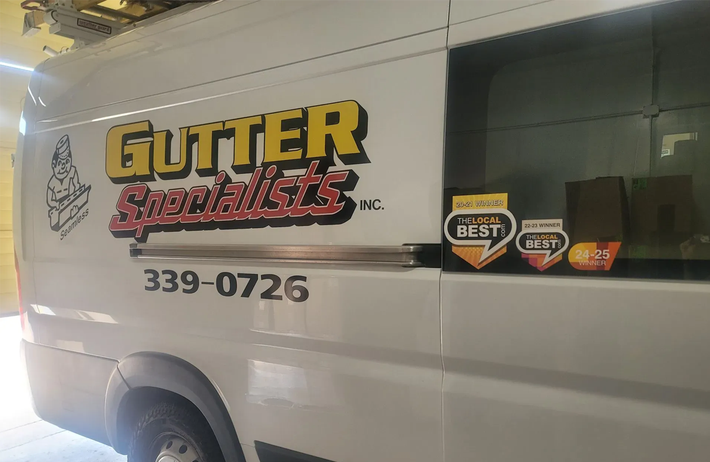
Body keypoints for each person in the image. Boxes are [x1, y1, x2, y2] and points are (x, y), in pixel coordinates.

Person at [47, 135, 81, 213]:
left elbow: (77, 185)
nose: (63, 167)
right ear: (53, 165)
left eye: (67, 162)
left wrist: (77, 194)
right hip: (59, 207)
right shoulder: (51, 183)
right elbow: (49, 200)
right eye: (60, 163)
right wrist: (55, 204)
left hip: (70, 201)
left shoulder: (72, 171)